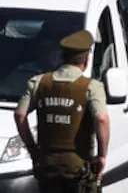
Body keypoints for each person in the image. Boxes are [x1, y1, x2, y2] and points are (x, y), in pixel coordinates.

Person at [14, 30, 110, 193]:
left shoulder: (38, 82)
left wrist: (33, 149)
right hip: (78, 168)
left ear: (62, 57)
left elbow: (19, 115)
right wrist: (101, 156)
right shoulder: (91, 86)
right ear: (86, 60)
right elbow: (101, 118)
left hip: (47, 166)